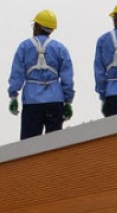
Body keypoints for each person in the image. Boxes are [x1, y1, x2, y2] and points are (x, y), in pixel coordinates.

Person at [7, 9, 75, 140]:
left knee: (29, 145)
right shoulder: (60, 48)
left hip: (32, 102)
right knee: (54, 144)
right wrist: (68, 101)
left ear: (37, 26)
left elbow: (17, 74)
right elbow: (67, 77)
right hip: (55, 101)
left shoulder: (24, 47)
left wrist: (13, 96)